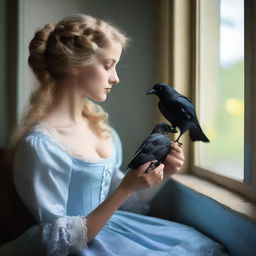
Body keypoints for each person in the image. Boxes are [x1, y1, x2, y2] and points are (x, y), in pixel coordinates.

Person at [0, 14, 228, 256]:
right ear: (74, 64)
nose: (115, 78)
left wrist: (164, 172)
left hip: (116, 230)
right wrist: (126, 188)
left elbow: (123, 203)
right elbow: (59, 243)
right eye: (108, 65)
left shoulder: (101, 130)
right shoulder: (41, 145)